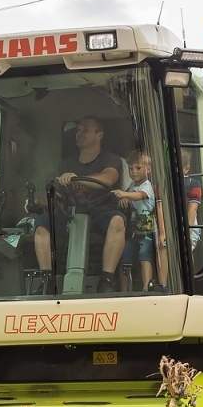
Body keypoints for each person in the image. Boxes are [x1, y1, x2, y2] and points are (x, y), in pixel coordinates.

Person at [29, 114, 128, 292]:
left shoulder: (111, 160)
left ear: (99, 135)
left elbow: (108, 178)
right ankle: (47, 280)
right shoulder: (66, 163)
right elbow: (58, 196)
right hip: (70, 213)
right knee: (42, 223)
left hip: (101, 212)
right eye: (78, 130)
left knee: (118, 222)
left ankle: (106, 281)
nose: (79, 133)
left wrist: (77, 179)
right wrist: (36, 202)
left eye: (86, 130)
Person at [112, 149, 158, 291]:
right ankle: (124, 290)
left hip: (147, 232)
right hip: (133, 232)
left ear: (148, 169)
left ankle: (146, 287)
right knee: (124, 256)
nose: (134, 172)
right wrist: (124, 200)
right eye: (130, 169)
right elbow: (130, 197)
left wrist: (125, 194)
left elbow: (140, 196)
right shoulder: (132, 186)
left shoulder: (147, 186)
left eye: (138, 168)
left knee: (145, 257)